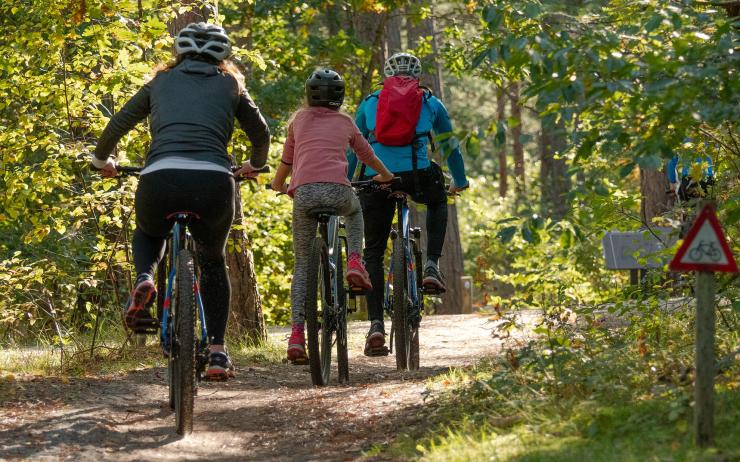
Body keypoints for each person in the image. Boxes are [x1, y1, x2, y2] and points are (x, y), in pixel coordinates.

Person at [91, 23, 270, 381]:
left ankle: (145, 277)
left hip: (160, 177)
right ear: (223, 55)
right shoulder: (231, 84)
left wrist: (101, 161)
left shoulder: (160, 81)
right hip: (213, 180)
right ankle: (218, 351)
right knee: (213, 262)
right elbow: (260, 132)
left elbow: (118, 124)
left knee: (149, 231)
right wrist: (256, 164)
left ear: (180, 51)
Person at [347, 52, 469, 355]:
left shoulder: (370, 102)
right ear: (417, 76)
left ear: (387, 75)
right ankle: (431, 265)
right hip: (417, 176)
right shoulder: (430, 102)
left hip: (377, 179)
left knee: (373, 251)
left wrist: (349, 179)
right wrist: (460, 179)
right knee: (438, 201)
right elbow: (449, 145)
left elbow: (353, 147)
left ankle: (376, 325)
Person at [271, 69, 393, 363]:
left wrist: (280, 186)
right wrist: (386, 176)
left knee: (302, 266)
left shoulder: (298, 121)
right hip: (339, 192)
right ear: (339, 97)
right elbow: (367, 156)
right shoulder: (346, 122)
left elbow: (287, 161)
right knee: (355, 211)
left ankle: (297, 336)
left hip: (305, 195)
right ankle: (354, 260)